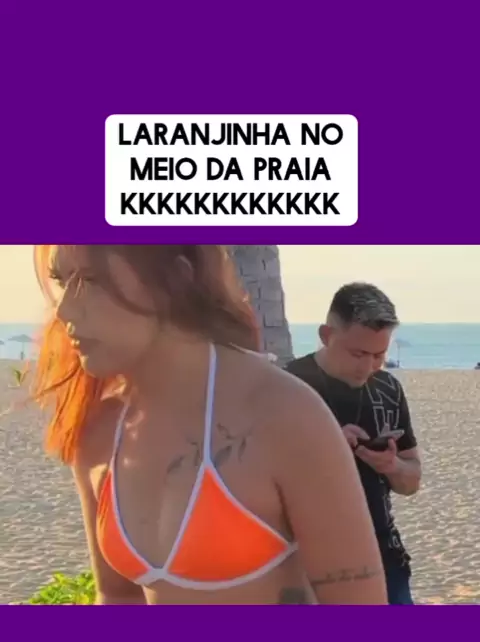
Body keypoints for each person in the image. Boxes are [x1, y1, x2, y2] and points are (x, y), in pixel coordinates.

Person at [30, 245, 388, 606]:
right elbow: (118, 596)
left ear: (175, 280)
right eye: (62, 280)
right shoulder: (102, 430)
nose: (64, 309)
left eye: (91, 280)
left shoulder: (282, 415)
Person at [285, 282, 421, 605]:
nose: (368, 367)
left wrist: (391, 466)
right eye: (358, 353)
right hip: (306, 567)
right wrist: (327, 448)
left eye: (379, 355)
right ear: (326, 335)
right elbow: (254, 484)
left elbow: (411, 481)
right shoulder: (287, 387)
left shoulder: (388, 389)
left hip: (384, 558)